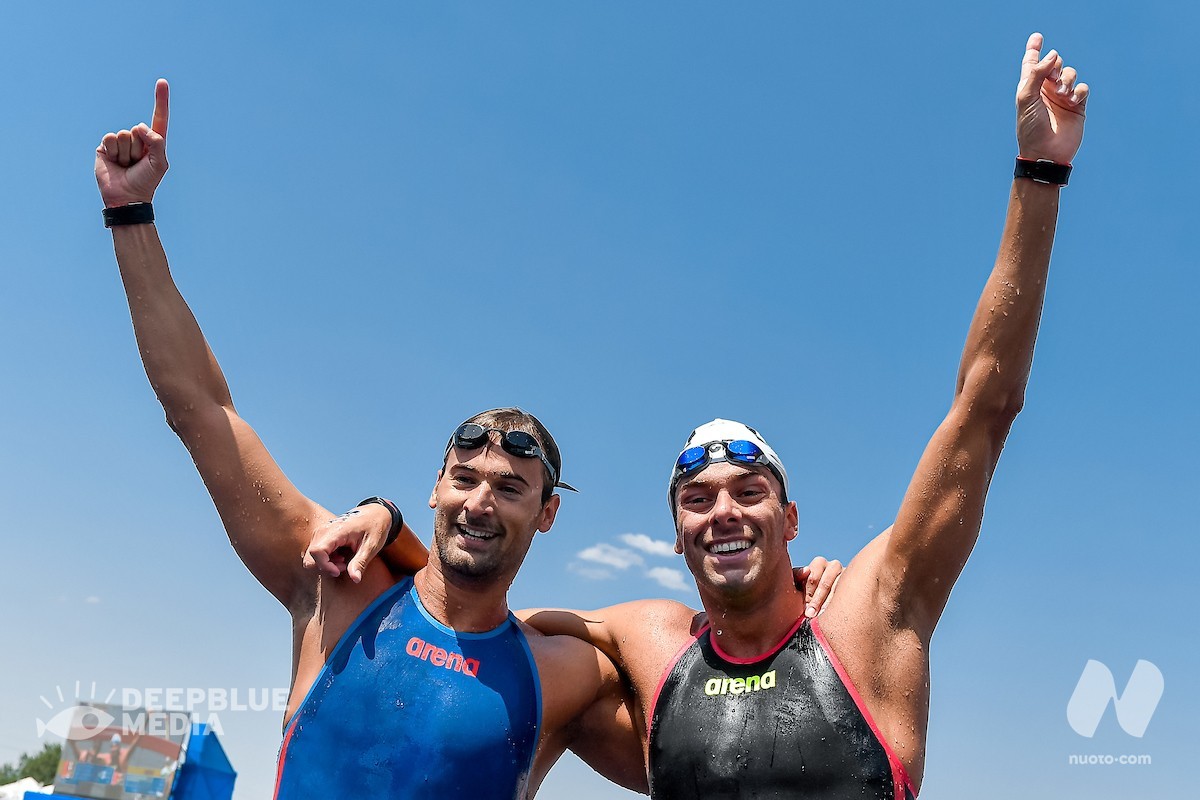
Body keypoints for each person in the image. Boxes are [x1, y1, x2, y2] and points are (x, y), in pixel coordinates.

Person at [314, 32, 1088, 798]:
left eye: (748, 493)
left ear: (790, 520)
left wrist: (1038, 174)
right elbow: (471, 610)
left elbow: (985, 407)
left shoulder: (869, 618)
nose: (723, 512)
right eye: (698, 499)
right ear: (676, 531)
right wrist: (390, 522)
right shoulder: (652, 646)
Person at [94, 80, 843, 797]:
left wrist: (792, 595)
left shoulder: (558, 676)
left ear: (547, 513)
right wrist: (131, 216)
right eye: (464, 478)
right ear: (434, 489)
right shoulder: (336, 581)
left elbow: (727, 745)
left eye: (512, 488)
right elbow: (200, 408)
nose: (480, 501)